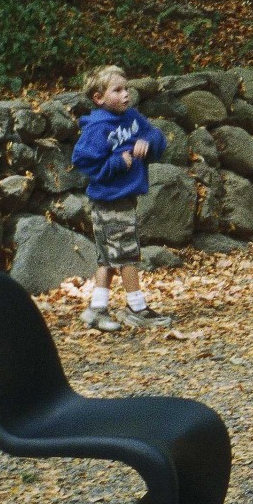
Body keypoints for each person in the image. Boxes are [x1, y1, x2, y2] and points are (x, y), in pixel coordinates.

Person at [71, 64, 172, 330]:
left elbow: (154, 134)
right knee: (127, 254)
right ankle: (137, 308)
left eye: (126, 88)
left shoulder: (132, 118)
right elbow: (82, 160)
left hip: (124, 198)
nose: (126, 94)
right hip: (109, 200)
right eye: (117, 90)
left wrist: (147, 142)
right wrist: (115, 164)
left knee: (107, 257)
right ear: (99, 98)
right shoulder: (97, 127)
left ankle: (96, 310)